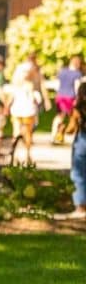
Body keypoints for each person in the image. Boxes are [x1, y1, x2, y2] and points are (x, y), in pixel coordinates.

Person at [54, 81, 86, 220]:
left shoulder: (79, 108)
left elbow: (71, 129)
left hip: (82, 141)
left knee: (78, 175)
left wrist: (62, 128)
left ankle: (80, 207)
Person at [8, 66, 42, 165]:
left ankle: (16, 155)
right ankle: (25, 155)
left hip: (18, 111)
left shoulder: (17, 86)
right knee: (27, 134)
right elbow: (36, 100)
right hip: (27, 111)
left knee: (17, 133)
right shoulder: (30, 85)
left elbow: (10, 98)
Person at [51, 55, 82, 144]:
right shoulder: (77, 74)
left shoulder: (62, 71)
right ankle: (71, 138)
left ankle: (54, 135)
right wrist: (78, 98)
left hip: (60, 96)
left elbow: (56, 85)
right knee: (73, 117)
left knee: (59, 116)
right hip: (70, 97)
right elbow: (77, 87)